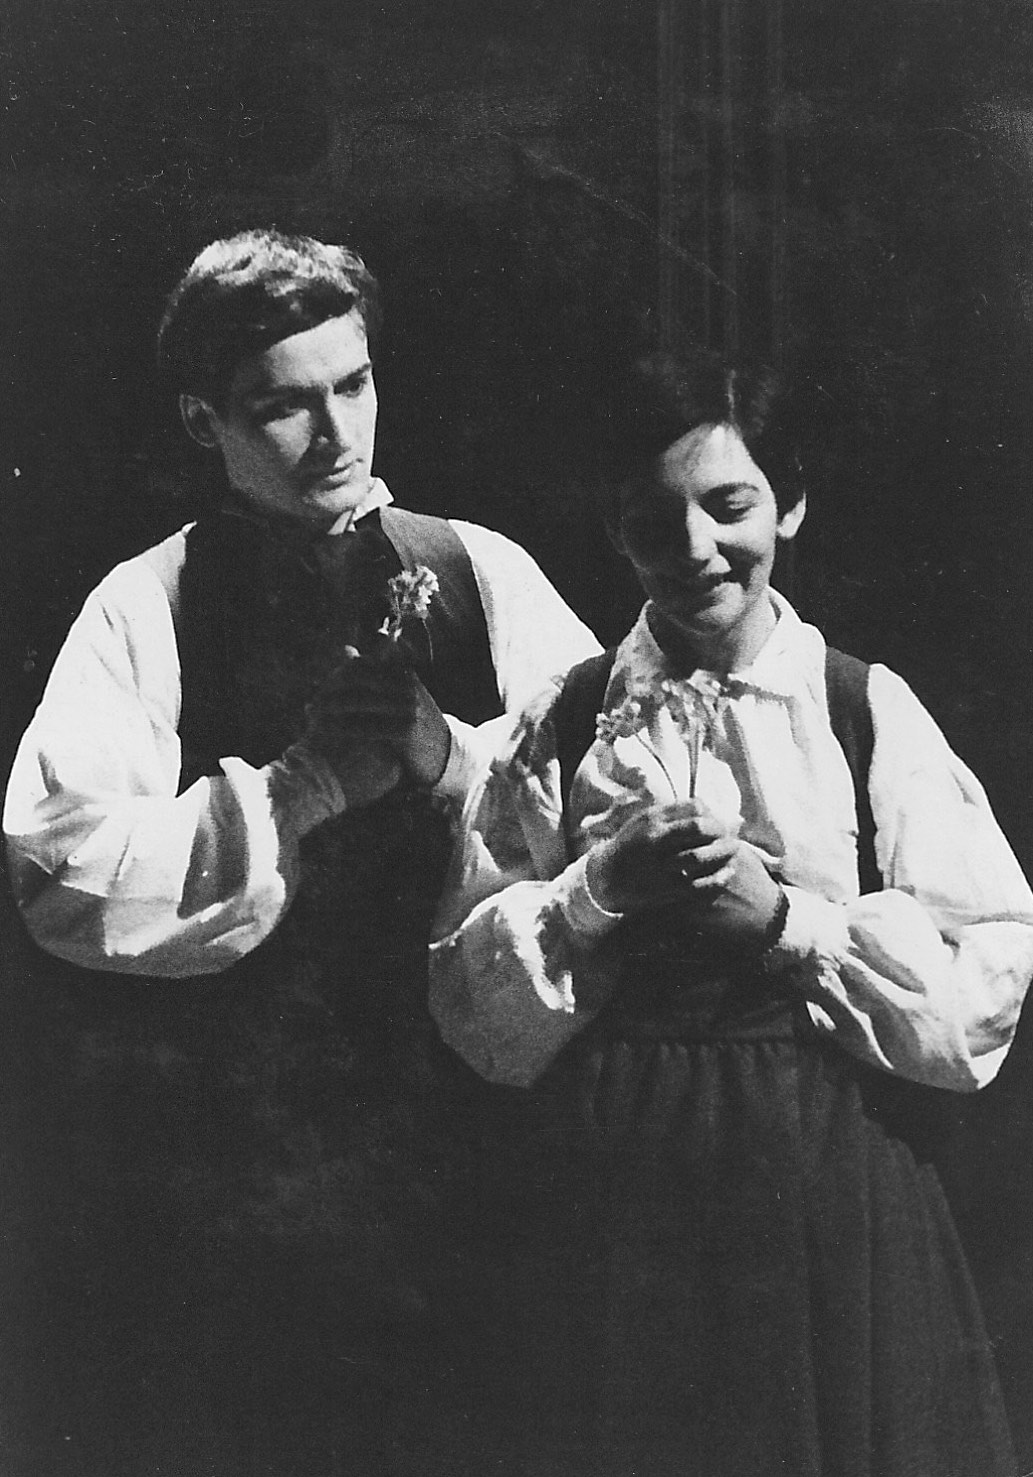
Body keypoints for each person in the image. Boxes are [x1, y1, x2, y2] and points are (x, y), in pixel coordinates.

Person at [2, 229, 599, 1473]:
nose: (336, 433)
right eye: (283, 404)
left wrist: (452, 763)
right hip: (237, 1161)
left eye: (354, 384)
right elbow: (58, 872)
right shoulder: (147, 600)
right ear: (202, 419)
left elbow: (607, 820)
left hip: (477, 1141)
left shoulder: (478, 570)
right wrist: (297, 791)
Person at [427, 348, 1033, 1476]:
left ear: (787, 506)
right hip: (616, 1186)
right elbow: (470, 1001)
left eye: (729, 505)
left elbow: (980, 987)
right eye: (655, 521)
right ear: (617, 533)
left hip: (823, 1182)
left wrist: (785, 922)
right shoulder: (567, 720)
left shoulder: (858, 707)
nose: (696, 547)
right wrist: (596, 891)